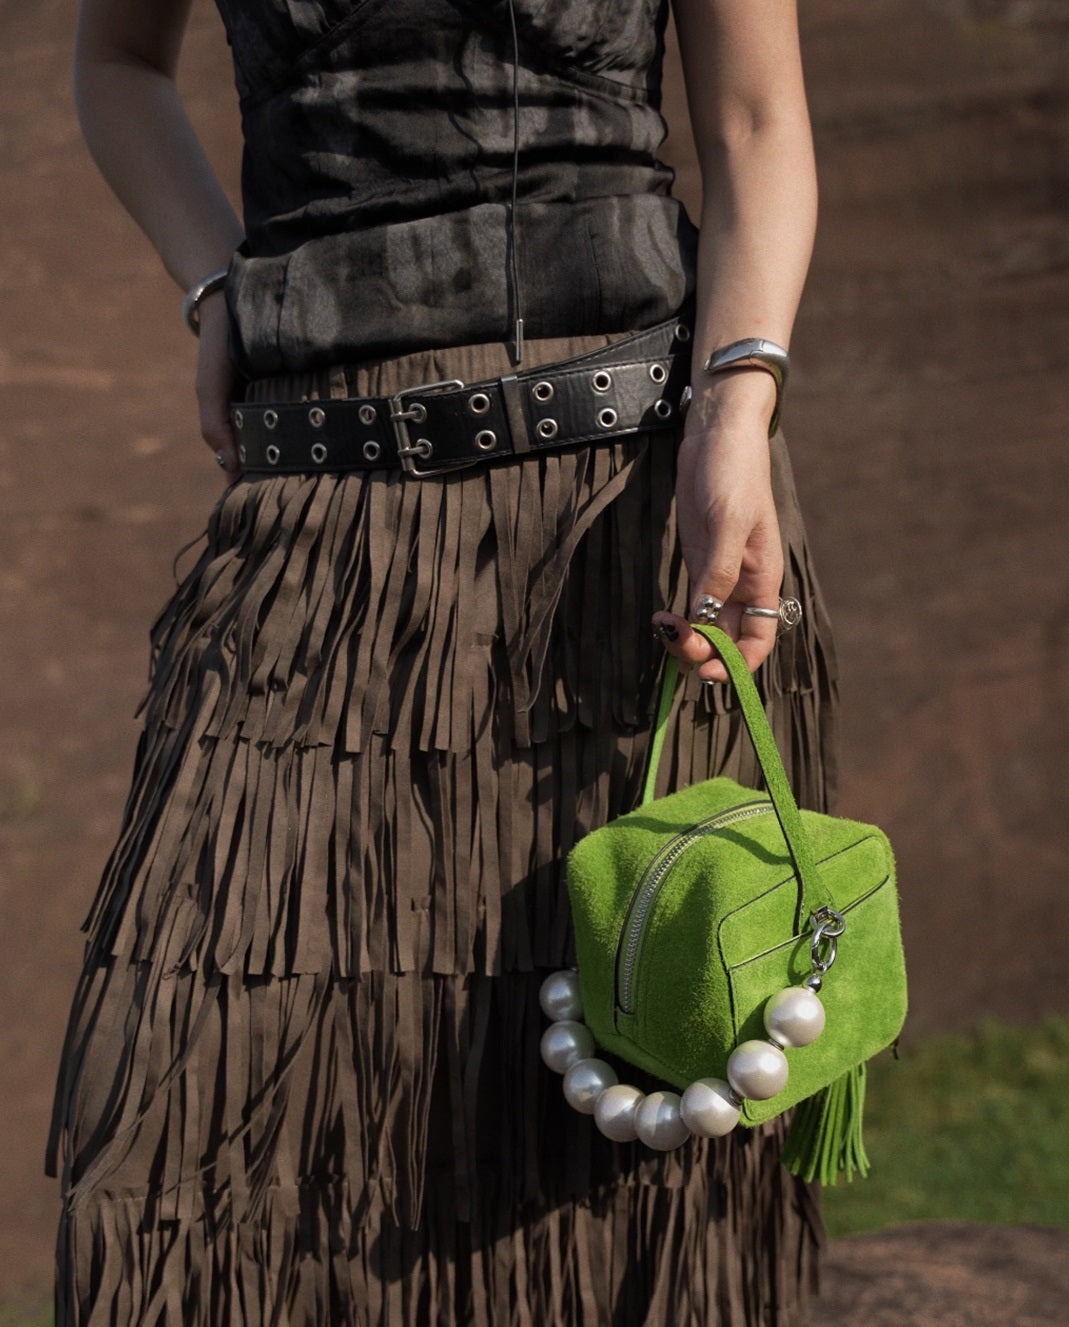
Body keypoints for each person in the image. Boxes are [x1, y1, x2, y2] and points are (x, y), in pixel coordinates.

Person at [47, 0, 837, 1322]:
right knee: (184, 1123)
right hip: (311, 524)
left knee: (614, 1135)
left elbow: (757, 119)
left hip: (619, 513)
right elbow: (118, 65)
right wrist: (212, 284)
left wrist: (739, 404)